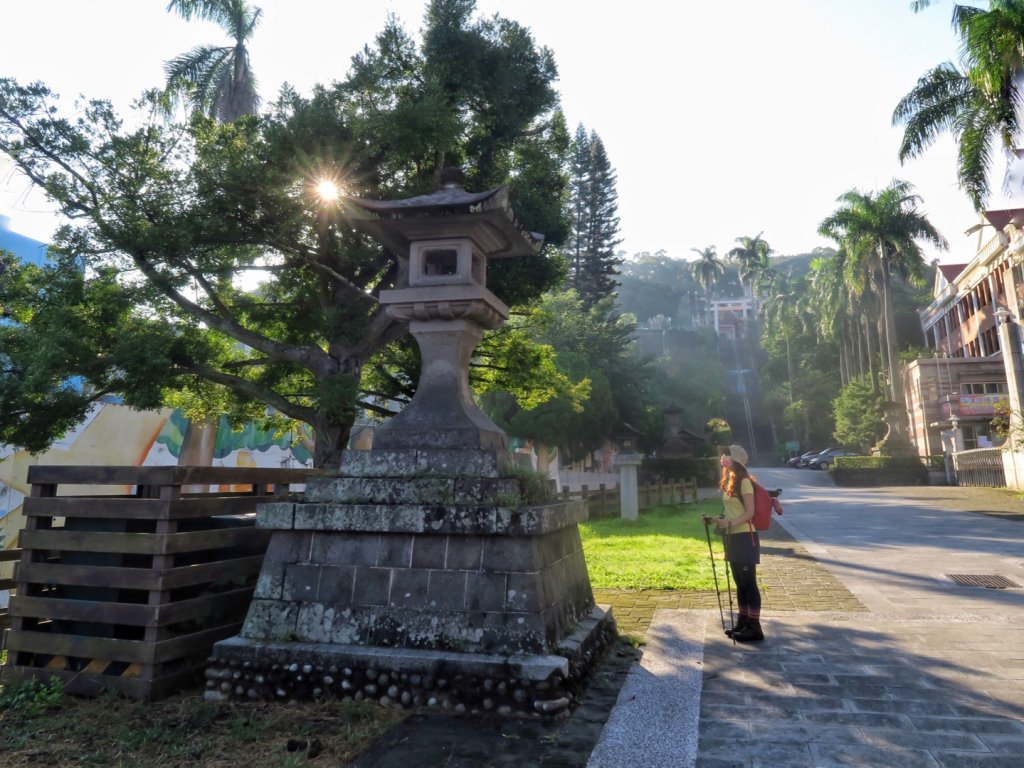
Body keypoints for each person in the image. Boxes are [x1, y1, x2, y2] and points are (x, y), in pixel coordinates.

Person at [703, 444, 764, 642]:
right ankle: (742, 622)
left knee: (749, 583)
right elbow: (731, 511)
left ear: (736, 460)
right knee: (739, 583)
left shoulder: (744, 482)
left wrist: (729, 523)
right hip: (733, 537)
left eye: (727, 455)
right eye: (723, 455)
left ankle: (754, 627)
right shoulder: (730, 480)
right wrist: (715, 519)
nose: (723, 458)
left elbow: (749, 512)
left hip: (746, 537)